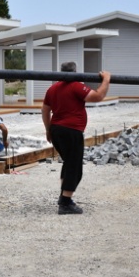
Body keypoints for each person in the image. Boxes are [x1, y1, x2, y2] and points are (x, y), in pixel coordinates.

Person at [42, 62, 111, 215]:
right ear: (75, 72)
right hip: (71, 131)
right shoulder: (76, 86)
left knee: (68, 163)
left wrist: (48, 130)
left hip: (57, 130)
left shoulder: (52, 89)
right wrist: (106, 79)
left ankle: (63, 197)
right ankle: (65, 203)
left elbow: (45, 110)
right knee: (74, 166)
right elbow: (98, 96)